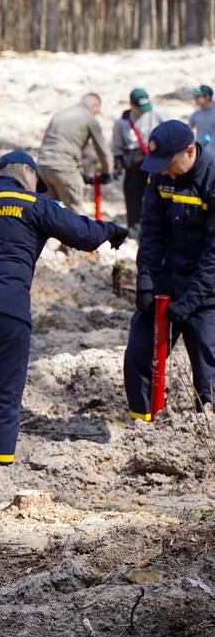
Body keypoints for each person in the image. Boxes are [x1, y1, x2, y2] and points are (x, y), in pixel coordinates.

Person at [0, 151, 126, 470]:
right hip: (6, 308)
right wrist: (111, 231)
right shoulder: (34, 204)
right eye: (36, 181)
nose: (36, 187)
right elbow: (83, 235)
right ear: (27, 171)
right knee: (3, 393)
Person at [124, 121, 215, 421]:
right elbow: (151, 232)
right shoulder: (159, 176)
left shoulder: (211, 178)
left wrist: (190, 301)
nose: (163, 171)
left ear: (189, 151)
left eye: (168, 163)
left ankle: (207, 431)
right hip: (167, 277)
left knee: (207, 371)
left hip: (205, 288)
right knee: (139, 356)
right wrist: (146, 283)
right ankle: (143, 427)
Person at [35, 94, 111, 215]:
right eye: (97, 111)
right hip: (63, 168)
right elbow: (102, 150)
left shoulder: (60, 114)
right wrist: (106, 172)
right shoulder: (89, 118)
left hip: (43, 166)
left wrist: (82, 172)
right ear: (94, 105)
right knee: (75, 213)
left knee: (47, 213)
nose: (96, 114)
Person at [110, 88, 165, 233]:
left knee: (156, 195)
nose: (143, 112)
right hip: (133, 164)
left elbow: (168, 131)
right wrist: (118, 161)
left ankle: (157, 227)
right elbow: (117, 145)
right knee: (133, 198)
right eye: (139, 108)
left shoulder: (156, 114)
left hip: (153, 160)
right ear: (131, 105)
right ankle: (134, 230)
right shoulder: (122, 122)